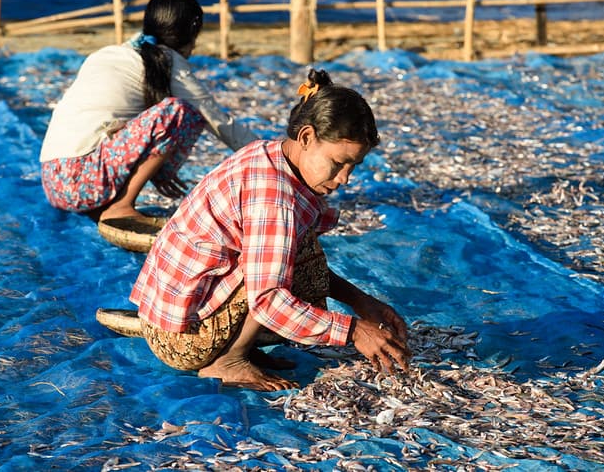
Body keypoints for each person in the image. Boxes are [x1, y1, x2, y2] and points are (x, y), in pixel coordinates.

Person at [129, 69, 410, 391]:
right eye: (337, 163)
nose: (345, 177)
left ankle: (239, 349)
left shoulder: (270, 153)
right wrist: (354, 331)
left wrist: (361, 301)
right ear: (306, 137)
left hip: (174, 316)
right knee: (288, 266)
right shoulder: (274, 198)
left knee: (298, 251)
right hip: (181, 338)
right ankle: (227, 360)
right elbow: (269, 301)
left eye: (353, 166)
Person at [39, 0, 257, 223]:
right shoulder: (171, 62)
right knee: (181, 113)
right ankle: (121, 205)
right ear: (193, 33)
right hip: (82, 179)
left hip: (55, 183)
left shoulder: (108, 54)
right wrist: (276, 157)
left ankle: (107, 202)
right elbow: (220, 123)